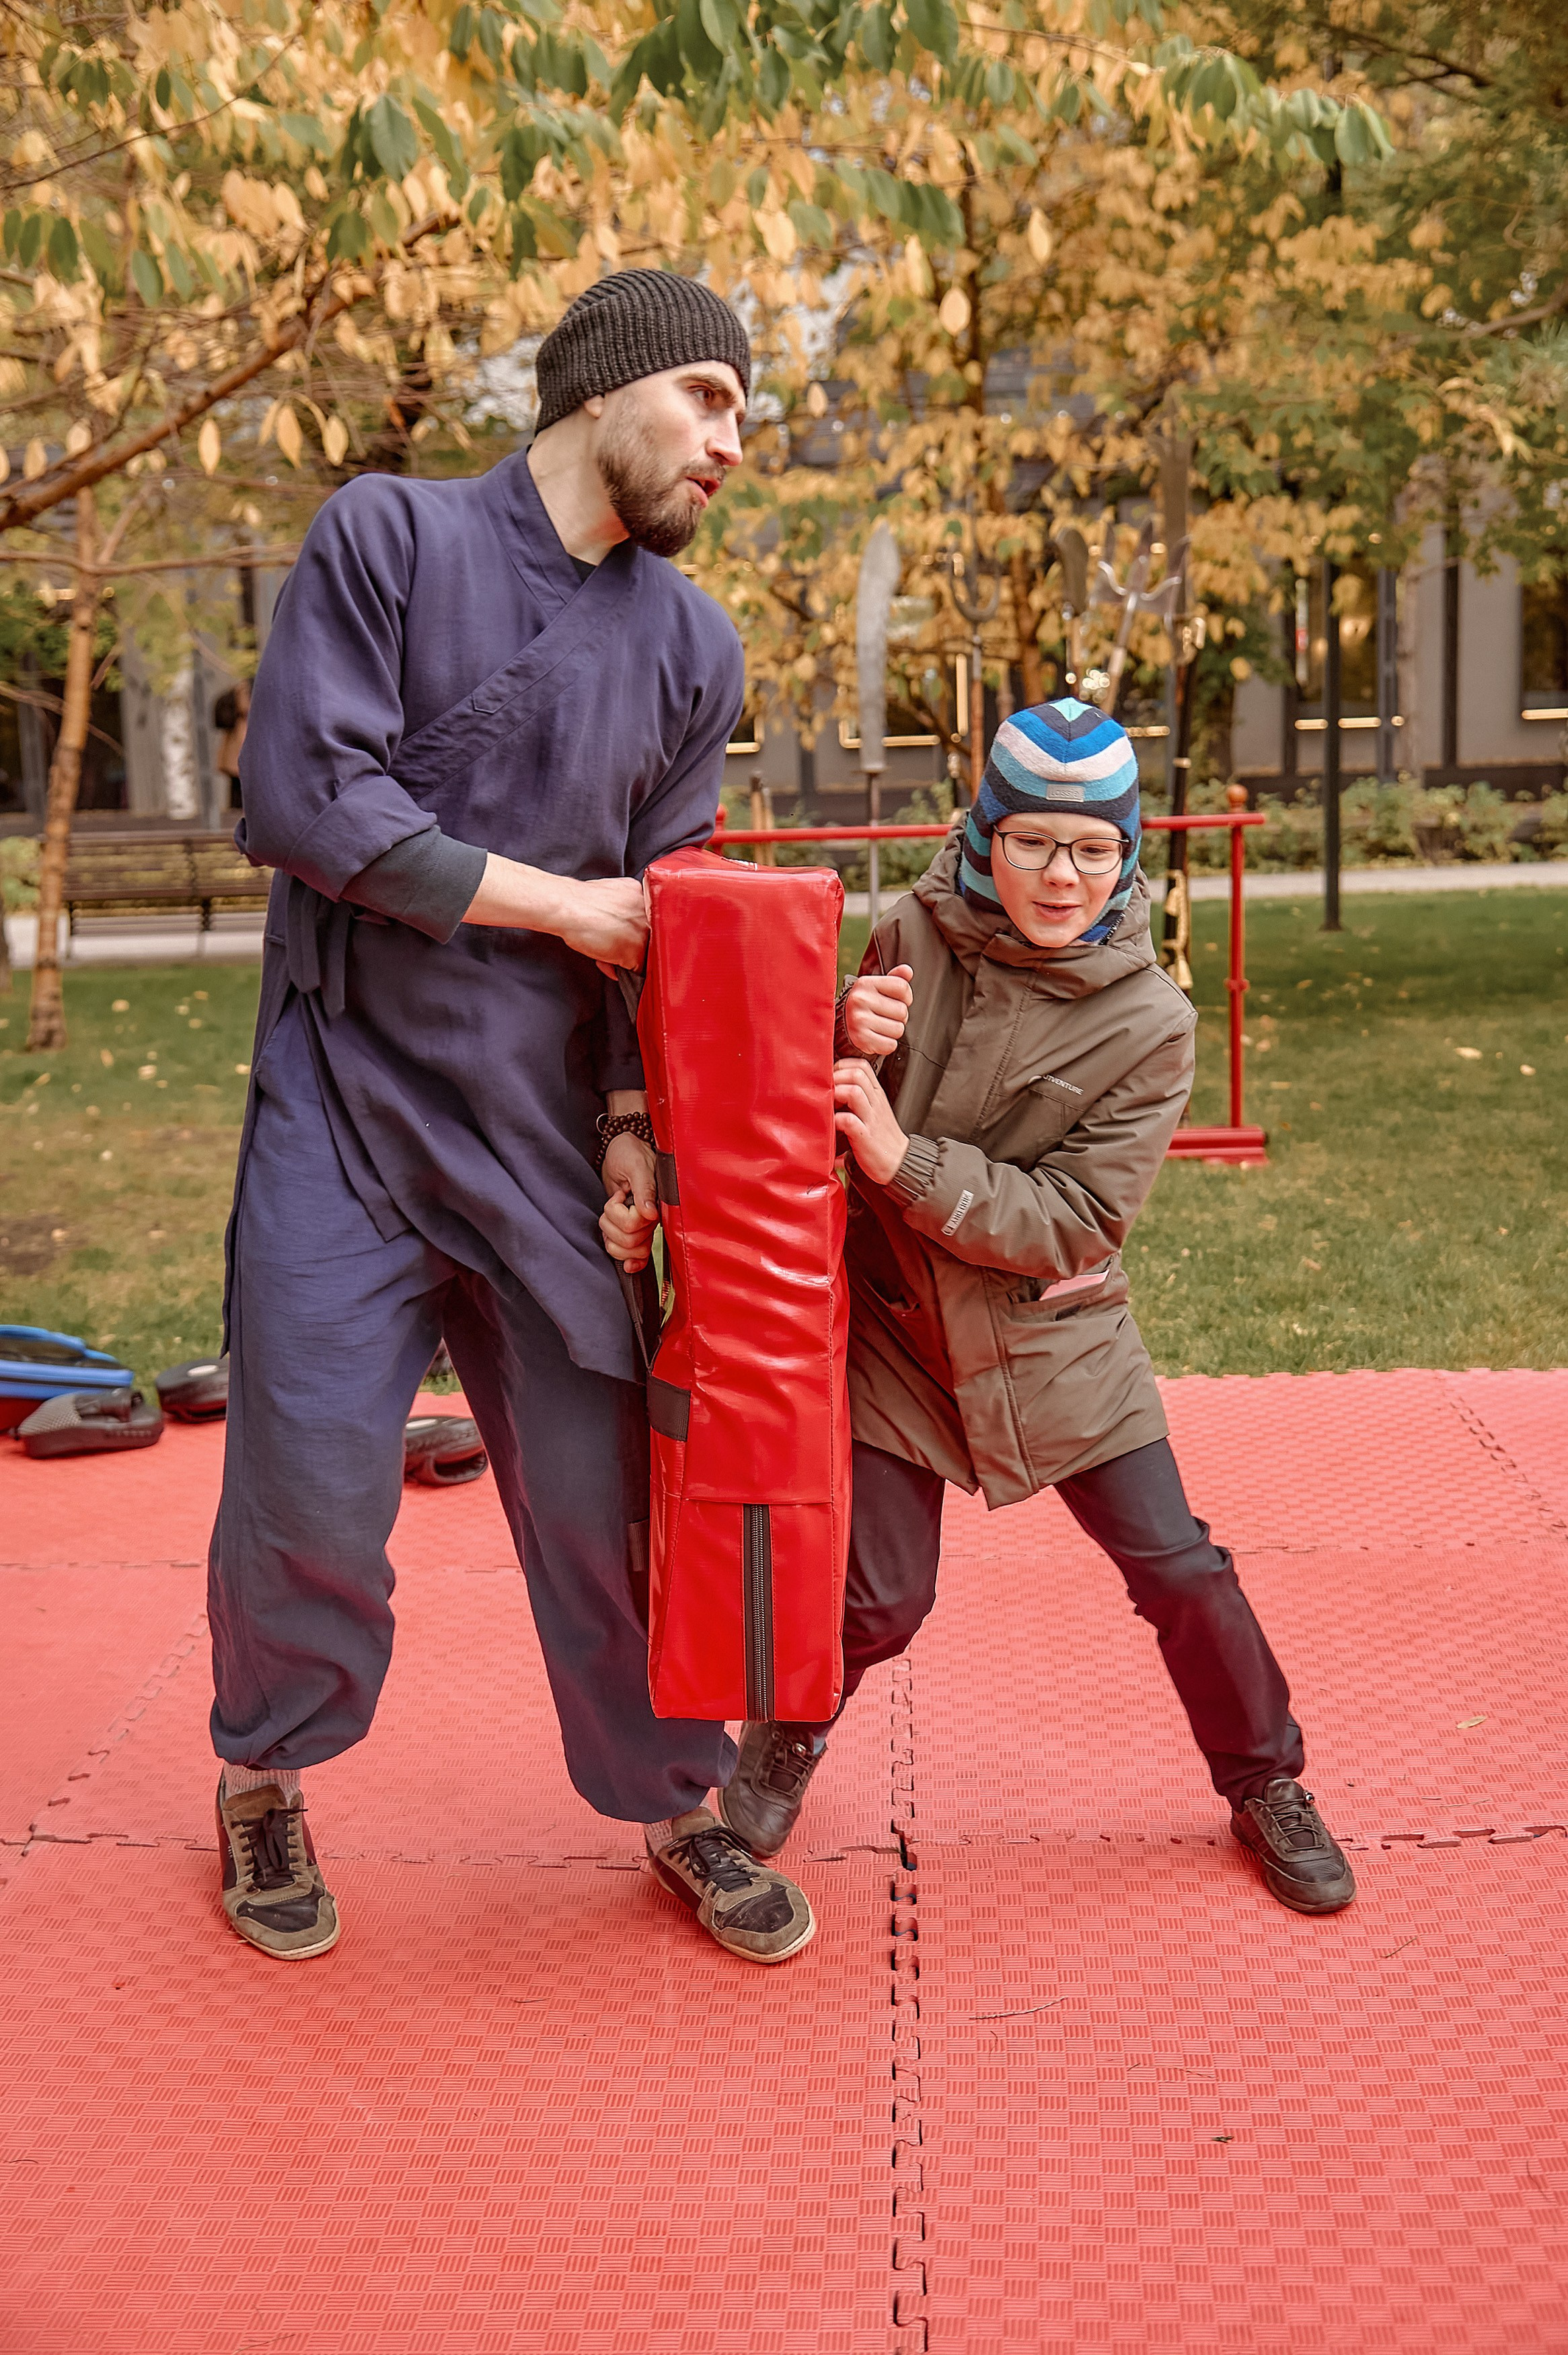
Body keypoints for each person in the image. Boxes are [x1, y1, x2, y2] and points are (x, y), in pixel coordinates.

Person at [209, 270, 817, 1968]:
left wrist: (635, 1114)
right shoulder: (385, 535)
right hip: (346, 1100)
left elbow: (670, 916)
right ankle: (265, 1769)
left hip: (548, 1130)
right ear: (598, 388)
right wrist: (569, 908)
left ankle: (669, 1792)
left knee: (599, 1487)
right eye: (705, 398)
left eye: (747, 420)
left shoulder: (694, 645)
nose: (730, 442)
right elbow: (304, 798)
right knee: (312, 1479)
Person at [702, 698, 1356, 1917]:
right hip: (901, 1332)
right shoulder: (908, 930)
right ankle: (783, 1734)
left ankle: (1266, 1777)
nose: (1061, 874)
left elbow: (1074, 1219)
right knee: (879, 1600)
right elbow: (797, 1116)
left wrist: (907, 1163)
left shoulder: (1152, 1020)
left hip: (1057, 1337)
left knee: (1178, 1569)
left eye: (1092, 848)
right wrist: (838, 1031)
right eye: (1034, 842)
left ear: (1127, 857)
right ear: (984, 836)